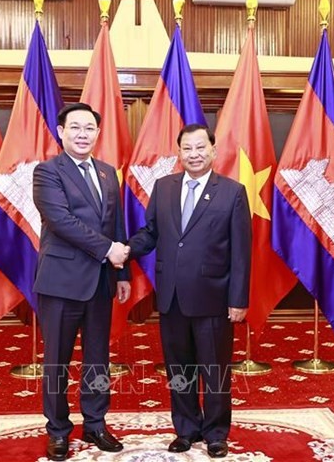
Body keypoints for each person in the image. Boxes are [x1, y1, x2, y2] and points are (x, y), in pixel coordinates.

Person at [128, 123, 251, 458]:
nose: (194, 155)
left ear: (213, 150)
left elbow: (241, 251)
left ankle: (215, 432)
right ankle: (186, 428)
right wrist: (125, 249)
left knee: (214, 369)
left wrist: (238, 299)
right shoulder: (164, 187)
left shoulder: (232, 192)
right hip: (171, 296)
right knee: (178, 369)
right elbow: (150, 232)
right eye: (187, 148)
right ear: (178, 152)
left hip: (213, 297)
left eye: (200, 148)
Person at [33, 102, 131, 461]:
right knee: (57, 361)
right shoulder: (47, 172)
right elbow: (60, 221)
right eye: (75, 127)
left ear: (98, 133)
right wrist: (109, 250)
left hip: (102, 282)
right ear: (61, 132)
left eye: (89, 128)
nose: (82, 134)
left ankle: (95, 424)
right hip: (61, 282)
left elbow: (116, 225)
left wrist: (122, 271)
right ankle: (58, 430)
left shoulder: (107, 173)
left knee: (97, 359)